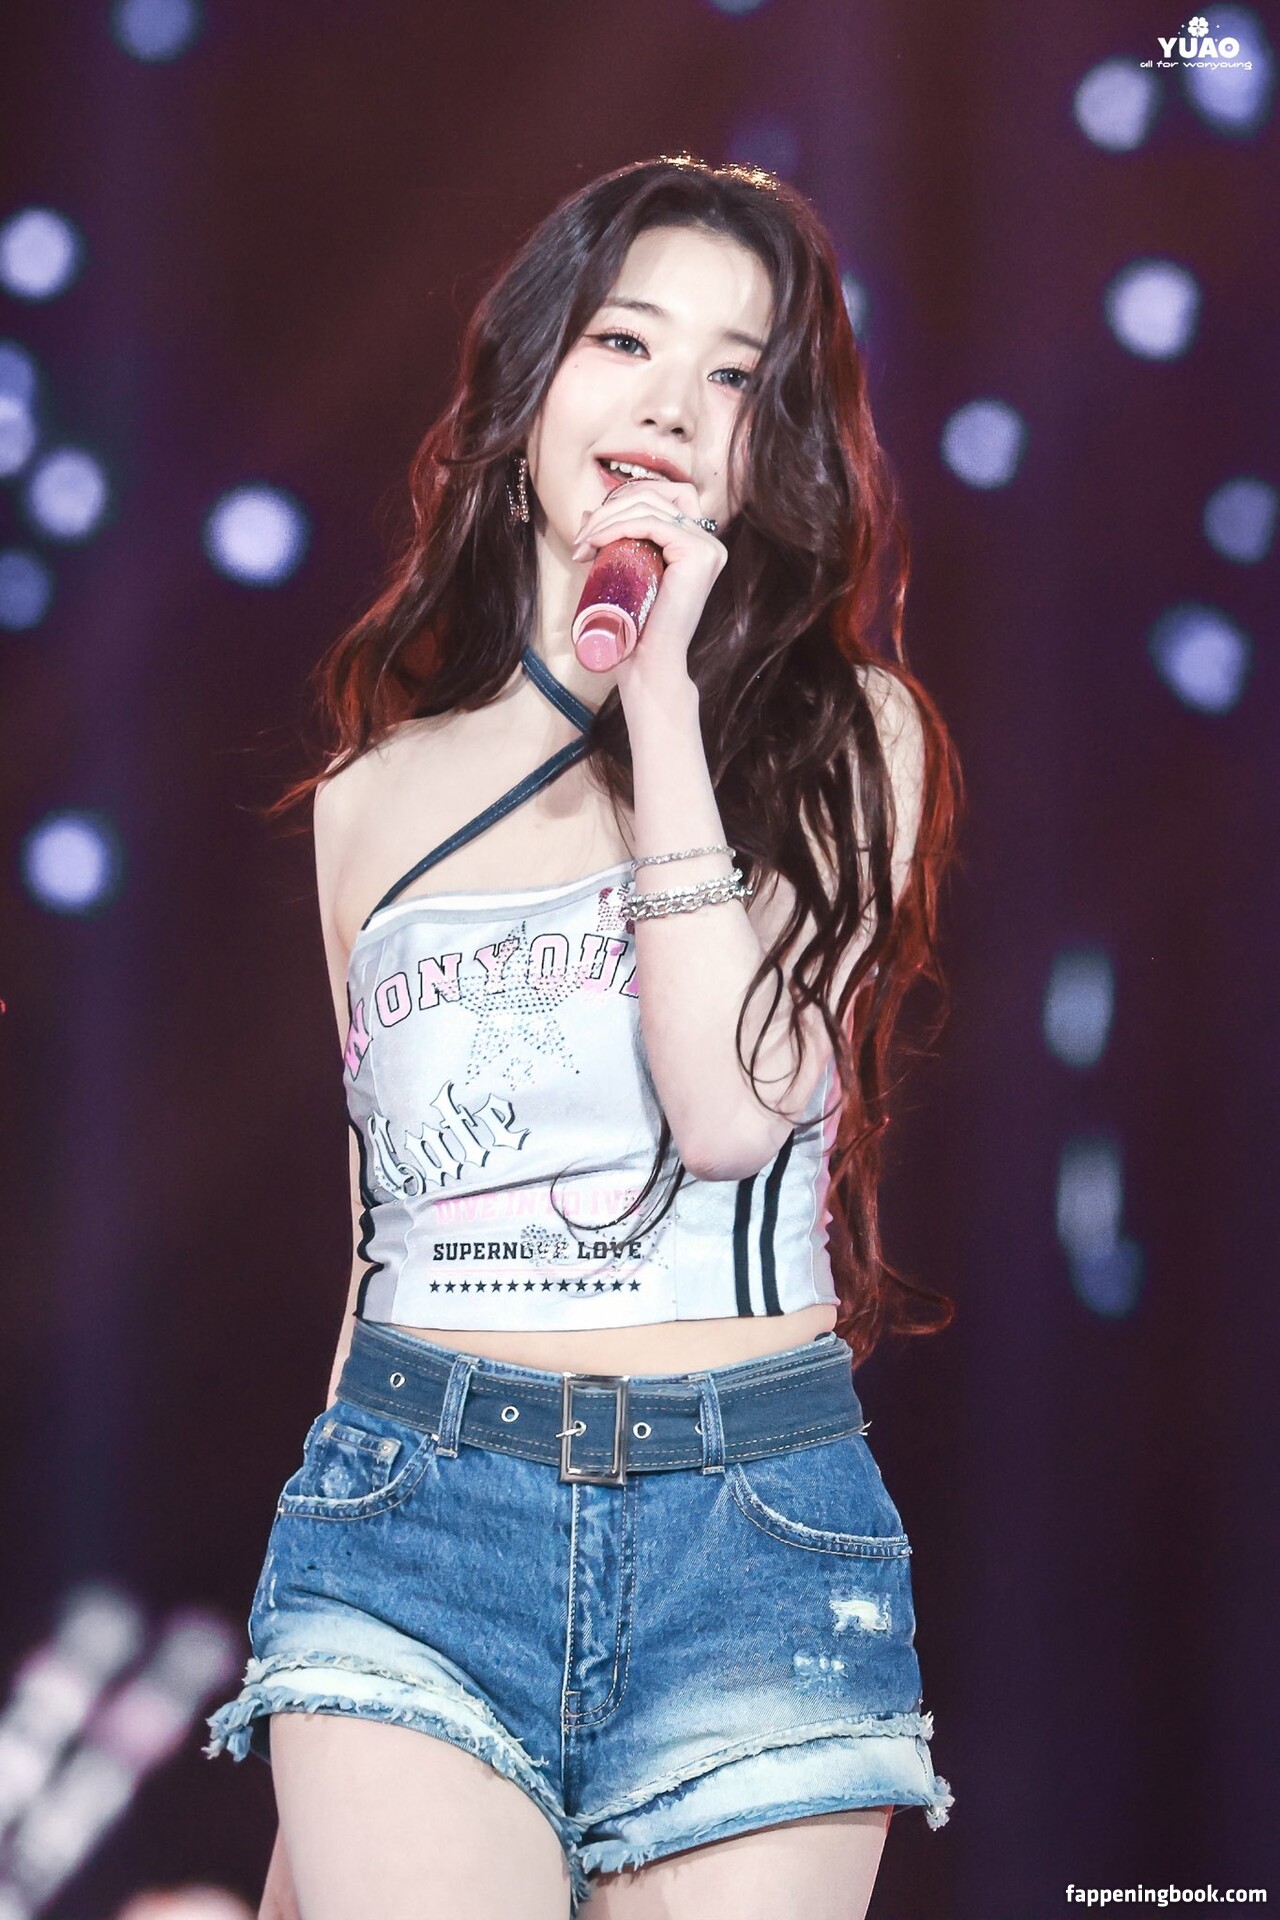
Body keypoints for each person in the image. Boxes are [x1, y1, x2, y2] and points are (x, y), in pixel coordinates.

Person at [205, 154, 961, 1920]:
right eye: (628, 341)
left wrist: (664, 706)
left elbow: (728, 1111)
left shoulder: (852, 740)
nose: (672, 403)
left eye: (735, 373)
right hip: (413, 1518)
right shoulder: (372, 802)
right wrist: (312, 1709)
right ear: (533, 384)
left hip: (749, 1533)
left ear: (772, 447)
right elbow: (384, 1239)